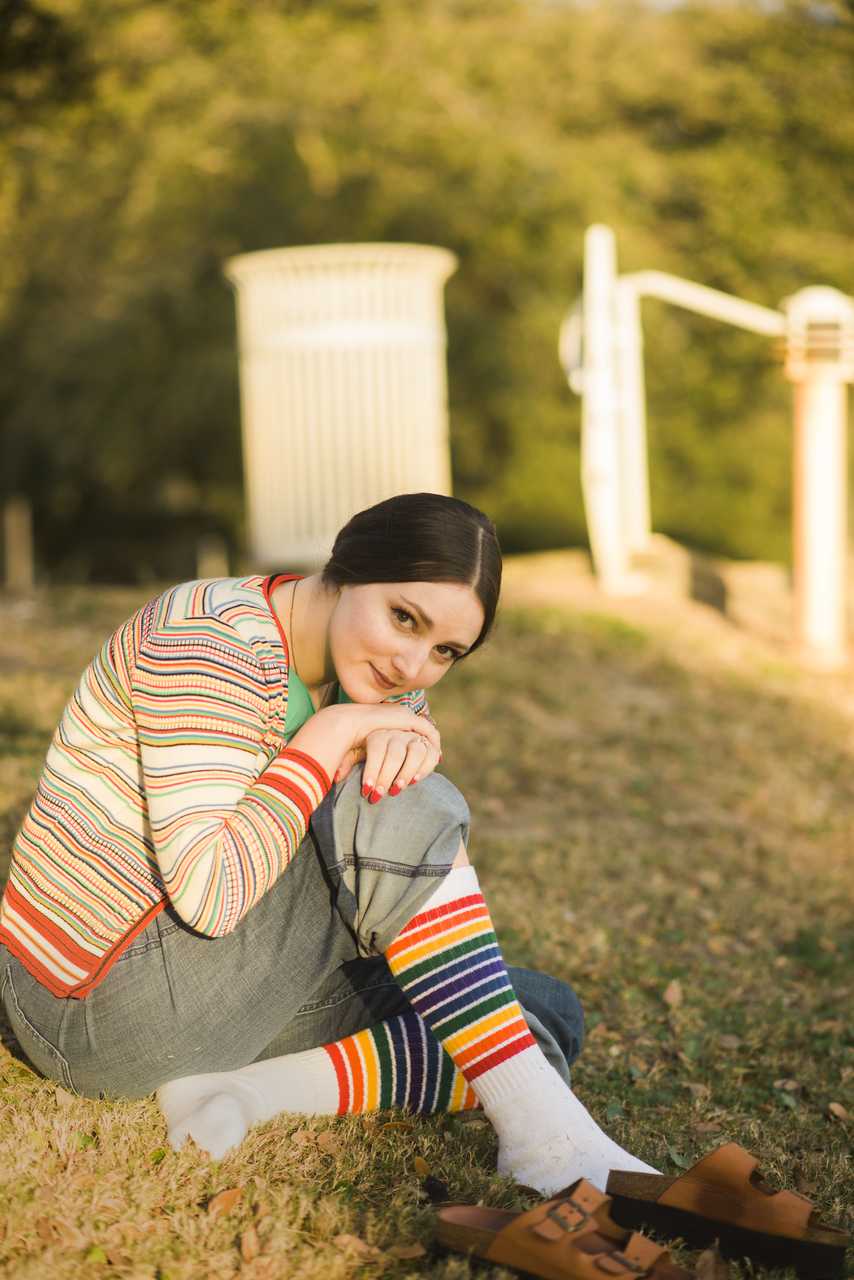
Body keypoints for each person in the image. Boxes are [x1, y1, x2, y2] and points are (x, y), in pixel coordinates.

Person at [0, 493, 656, 1193]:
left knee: (540, 1014)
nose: (412, 665)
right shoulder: (207, 641)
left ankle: (246, 1094)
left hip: (220, 991)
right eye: (404, 617)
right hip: (94, 1006)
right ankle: (545, 1141)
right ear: (346, 567)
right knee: (401, 799)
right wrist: (331, 733)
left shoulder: (370, 680)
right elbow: (210, 896)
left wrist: (361, 729)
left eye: (445, 652)